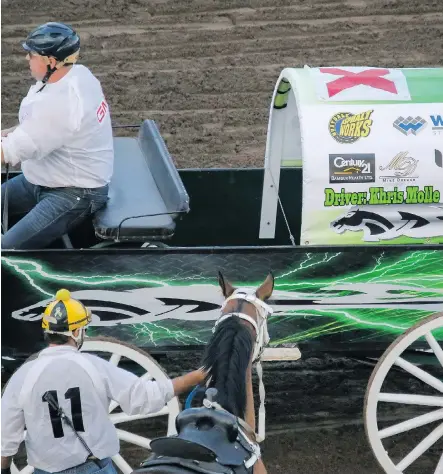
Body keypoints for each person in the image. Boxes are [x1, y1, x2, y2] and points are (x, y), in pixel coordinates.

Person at [1, 289, 206, 474]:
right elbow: (144, 397)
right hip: (94, 467)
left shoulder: (24, 376)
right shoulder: (94, 367)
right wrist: (196, 376)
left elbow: (5, 435)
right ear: (75, 332)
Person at [1, 22, 114, 250]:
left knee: (6, 252)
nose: (26, 59)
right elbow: (32, 128)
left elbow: (10, 151)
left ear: (50, 61)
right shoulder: (78, 74)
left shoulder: (62, 103)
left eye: (31, 54)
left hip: (74, 193)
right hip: (41, 178)